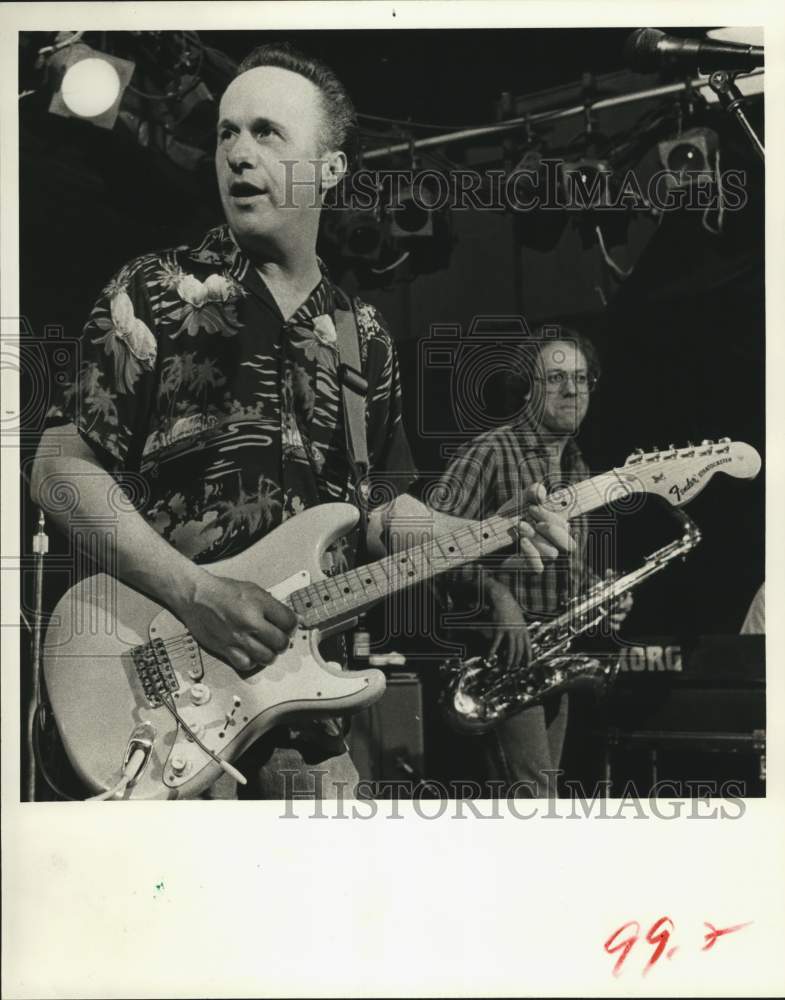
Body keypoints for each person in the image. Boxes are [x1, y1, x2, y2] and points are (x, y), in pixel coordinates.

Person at [29, 43, 571, 801]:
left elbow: (383, 514)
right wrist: (195, 595)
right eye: (225, 133)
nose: (237, 154)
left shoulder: (365, 335)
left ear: (330, 169)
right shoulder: (154, 290)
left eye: (266, 133)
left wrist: (485, 528)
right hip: (160, 710)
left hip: (309, 732)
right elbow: (58, 468)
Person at [431, 327, 631, 797]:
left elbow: (568, 574)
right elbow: (426, 547)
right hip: (497, 662)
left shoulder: (579, 467)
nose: (571, 390)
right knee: (535, 802)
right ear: (527, 389)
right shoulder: (489, 452)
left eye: (582, 379)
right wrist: (498, 595)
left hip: (549, 658)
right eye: (556, 377)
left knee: (541, 802)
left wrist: (602, 597)